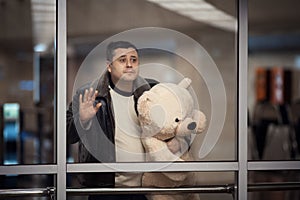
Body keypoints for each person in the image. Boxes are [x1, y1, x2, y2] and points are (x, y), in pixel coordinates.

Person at [67, 41, 181, 200]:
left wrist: (175, 139)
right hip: (105, 190)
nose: (129, 64)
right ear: (109, 66)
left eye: (133, 60)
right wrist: (82, 119)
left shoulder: (152, 91)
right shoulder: (89, 94)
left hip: (144, 189)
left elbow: (176, 123)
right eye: (122, 60)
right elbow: (67, 135)